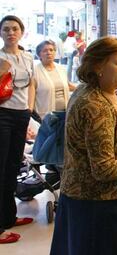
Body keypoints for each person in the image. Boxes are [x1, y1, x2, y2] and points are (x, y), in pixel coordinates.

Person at [50, 37, 117, 255]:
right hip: (95, 205)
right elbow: (104, 169)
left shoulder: (97, 91)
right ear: (98, 66)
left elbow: (99, 139)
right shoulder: (95, 106)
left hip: (81, 197)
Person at [0, 15, 35, 244]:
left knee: (13, 166)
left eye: (14, 29)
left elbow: (32, 83)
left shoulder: (28, 57)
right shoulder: (0, 57)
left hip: (21, 115)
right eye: (6, 29)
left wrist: (29, 110)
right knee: (1, 168)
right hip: (2, 115)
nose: (11, 32)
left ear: (22, 32)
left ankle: (9, 217)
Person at [32, 40, 76, 120]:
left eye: (51, 50)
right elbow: (31, 95)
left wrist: (83, 88)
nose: (49, 53)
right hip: (45, 116)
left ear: (55, 53)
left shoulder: (61, 69)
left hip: (64, 114)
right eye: (45, 50)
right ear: (39, 55)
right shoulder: (35, 71)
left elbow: (67, 85)